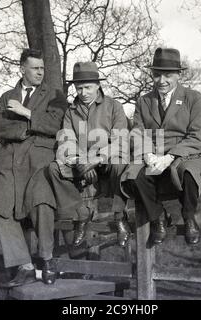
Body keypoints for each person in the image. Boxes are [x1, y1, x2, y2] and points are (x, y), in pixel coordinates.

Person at [0, 48, 67, 286]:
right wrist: (26, 129)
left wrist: (25, 113)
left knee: (42, 201)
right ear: (22, 69)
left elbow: (55, 124)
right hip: (11, 162)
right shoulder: (7, 96)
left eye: (42, 68)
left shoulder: (55, 95)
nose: (41, 72)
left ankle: (47, 259)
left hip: (40, 160)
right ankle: (24, 265)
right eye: (35, 68)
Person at [121, 47, 201, 245]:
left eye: (168, 75)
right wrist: (147, 155)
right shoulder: (144, 101)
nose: (162, 81)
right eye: (157, 75)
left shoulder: (193, 98)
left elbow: (200, 136)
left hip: (185, 155)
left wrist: (170, 157)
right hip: (153, 155)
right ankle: (159, 218)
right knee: (134, 176)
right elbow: (138, 131)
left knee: (188, 173)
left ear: (178, 75)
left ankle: (189, 218)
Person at [43, 61, 131, 249]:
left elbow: (121, 141)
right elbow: (66, 141)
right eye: (79, 88)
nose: (83, 92)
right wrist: (80, 162)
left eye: (88, 87)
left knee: (120, 163)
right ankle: (80, 214)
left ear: (98, 85)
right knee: (53, 169)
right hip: (82, 163)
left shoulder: (114, 107)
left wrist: (96, 160)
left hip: (107, 164)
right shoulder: (71, 112)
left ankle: (119, 217)